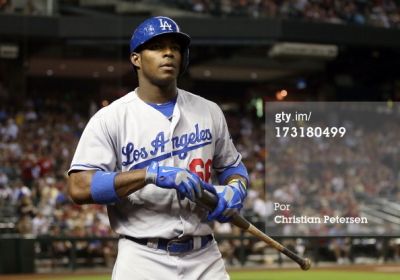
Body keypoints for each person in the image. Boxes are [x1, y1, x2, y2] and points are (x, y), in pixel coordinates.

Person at [67, 16, 249, 280]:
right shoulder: (111, 117)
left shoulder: (209, 111)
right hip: (143, 258)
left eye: (175, 48)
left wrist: (236, 188)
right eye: (156, 46)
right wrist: (149, 174)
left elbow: (233, 166)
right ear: (136, 59)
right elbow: (79, 187)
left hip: (205, 257)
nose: (168, 53)